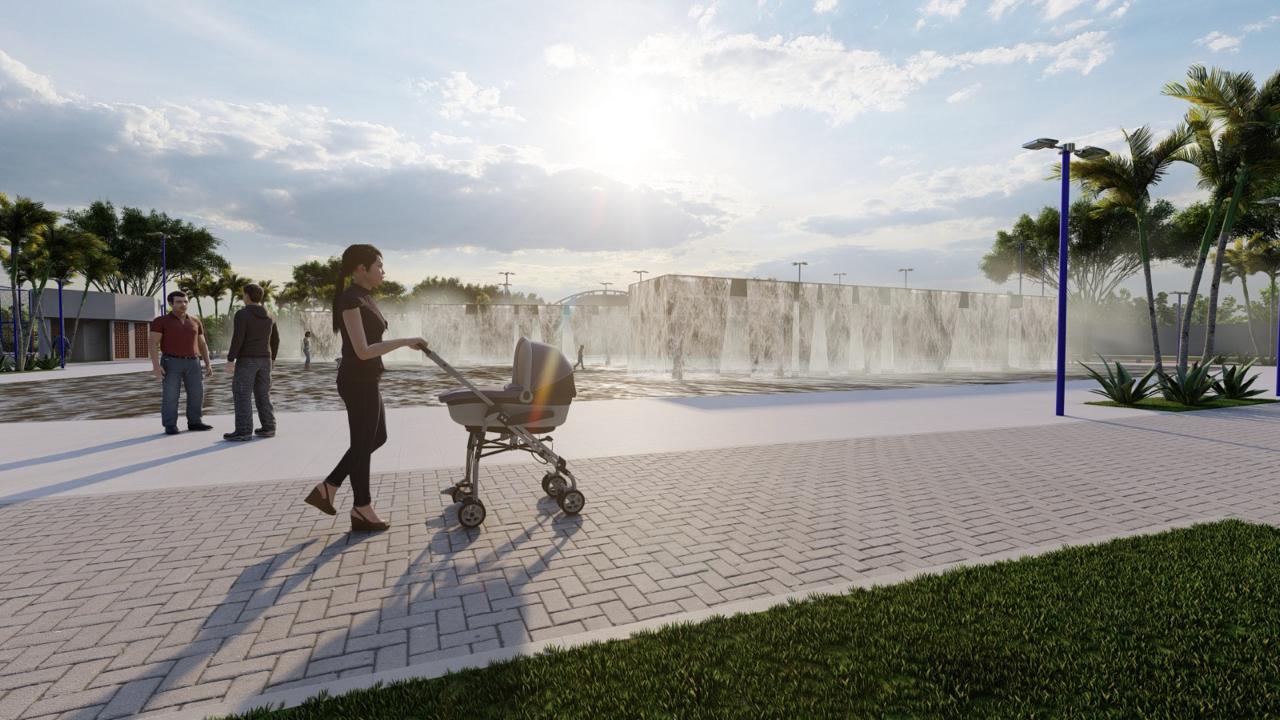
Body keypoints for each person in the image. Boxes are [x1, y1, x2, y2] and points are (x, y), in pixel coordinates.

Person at [303, 244, 429, 532]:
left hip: (368, 379)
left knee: (376, 438)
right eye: (379, 267)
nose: (383, 272)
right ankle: (362, 507)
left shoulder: (365, 297)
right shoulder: (350, 300)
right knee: (363, 442)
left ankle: (330, 486)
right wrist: (405, 341)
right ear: (361, 268)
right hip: (357, 380)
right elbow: (362, 350)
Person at [149, 291, 214, 435]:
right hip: (170, 361)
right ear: (171, 304)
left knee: (197, 393)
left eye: (185, 301)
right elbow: (152, 343)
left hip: (194, 362)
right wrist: (155, 366)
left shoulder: (195, 321)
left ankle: (195, 422)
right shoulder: (161, 321)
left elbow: (202, 343)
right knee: (171, 395)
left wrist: (208, 363)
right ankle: (170, 425)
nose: (183, 304)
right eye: (179, 302)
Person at [224, 283, 280, 441]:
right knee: (263, 394)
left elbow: (238, 338)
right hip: (265, 360)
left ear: (247, 296)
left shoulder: (242, 314)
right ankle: (268, 428)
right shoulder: (270, 315)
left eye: (243, 294)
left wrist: (230, 359)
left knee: (242, 394)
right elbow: (276, 340)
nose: (243, 297)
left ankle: (243, 431)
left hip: (247, 360)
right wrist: (273, 358)